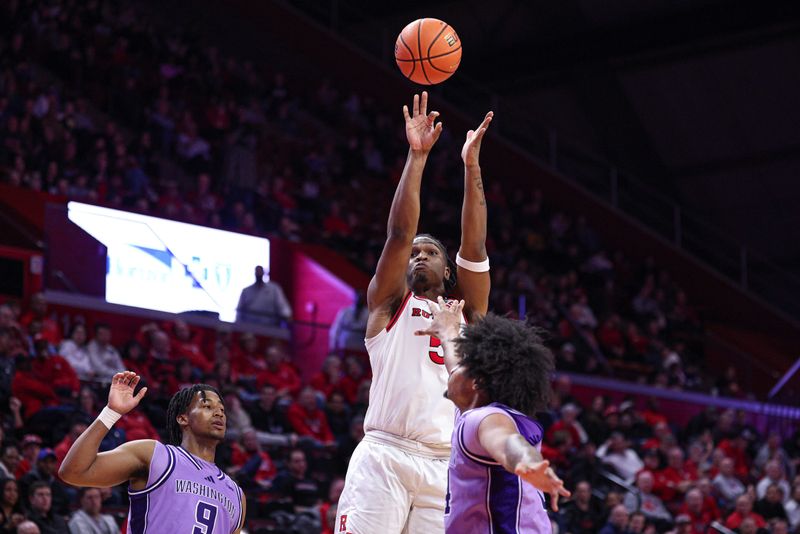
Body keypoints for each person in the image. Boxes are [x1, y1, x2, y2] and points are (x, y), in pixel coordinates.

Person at [337, 92, 494, 533]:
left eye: (430, 253)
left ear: (448, 271)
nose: (418, 257)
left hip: (445, 466)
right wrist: (418, 156)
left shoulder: (469, 314)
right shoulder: (388, 304)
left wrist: (471, 166)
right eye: (415, 254)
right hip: (385, 454)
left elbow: (475, 246)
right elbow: (399, 232)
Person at [417, 299, 570, 532]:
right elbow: (453, 361)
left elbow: (505, 440)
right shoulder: (472, 406)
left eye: (467, 365)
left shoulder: (484, 418)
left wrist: (527, 462)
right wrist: (447, 330)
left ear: (476, 382)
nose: (456, 369)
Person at [58, 371, 246, 532]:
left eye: (222, 409)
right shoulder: (156, 456)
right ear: (182, 419)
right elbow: (73, 472)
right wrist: (111, 413)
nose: (219, 413)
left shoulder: (236, 494)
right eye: (207, 406)